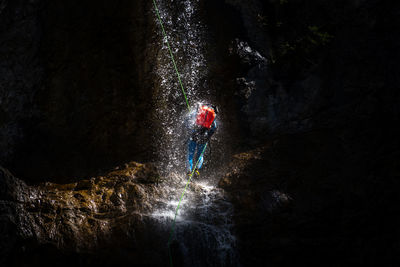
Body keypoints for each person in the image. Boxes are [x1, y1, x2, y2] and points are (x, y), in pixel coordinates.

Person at [186, 103, 218, 176]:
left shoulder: (198, 112)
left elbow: (189, 122)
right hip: (204, 138)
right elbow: (214, 128)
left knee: (190, 154)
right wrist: (208, 136)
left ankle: (189, 171)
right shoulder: (213, 116)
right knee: (200, 155)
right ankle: (197, 169)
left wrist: (190, 131)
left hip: (194, 135)